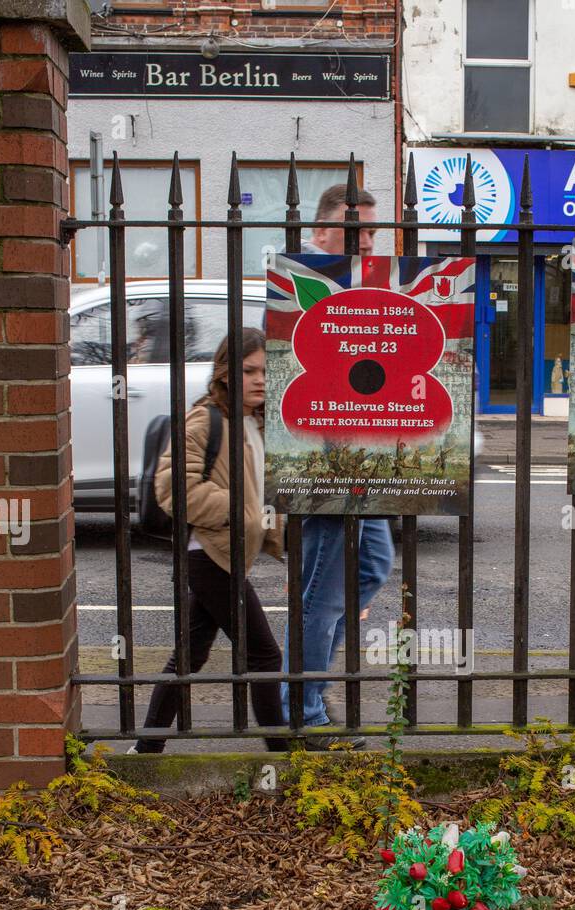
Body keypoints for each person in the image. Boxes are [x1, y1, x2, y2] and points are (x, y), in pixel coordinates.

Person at [276, 183, 395, 748]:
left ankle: (311, 691)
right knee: (321, 594)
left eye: (372, 232)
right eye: (356, 231)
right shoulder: (307, 286)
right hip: (323, 458)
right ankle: (304, 710)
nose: (368, 241)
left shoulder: (372, 285)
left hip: (365, 458)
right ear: (322, 231)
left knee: (371, 565)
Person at [130, 328, 288, 753]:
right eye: (248, 370)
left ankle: (147, 747)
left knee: (189, 656)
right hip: (211, 556)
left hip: (229, 554)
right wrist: (240, 511)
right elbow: (174, 490)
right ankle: (285, 754)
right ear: (225, 372)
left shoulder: (254, 422)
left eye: (265, 371)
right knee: (264, 656)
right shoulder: (206, 419)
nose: (259, 379)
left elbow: (262, 495)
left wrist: (278, 537)